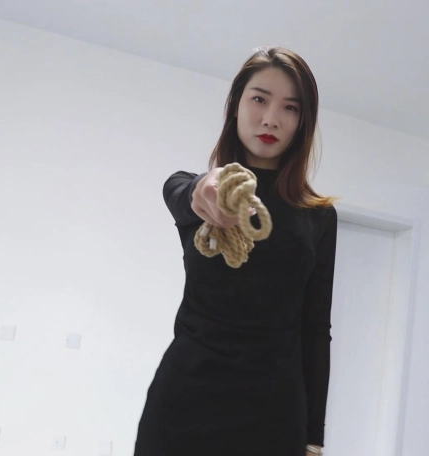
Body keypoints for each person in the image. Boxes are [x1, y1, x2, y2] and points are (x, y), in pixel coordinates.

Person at [134, 46, 338, 456]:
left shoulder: (318, 216)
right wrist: (203, 187)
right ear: (236, 105)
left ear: (303, 121)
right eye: (259, 99)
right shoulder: (201, 190)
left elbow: (316, 330)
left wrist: (314, 437)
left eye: (290, 107)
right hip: (184, 400)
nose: (271, 118)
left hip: (275, 412)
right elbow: (180, 190)